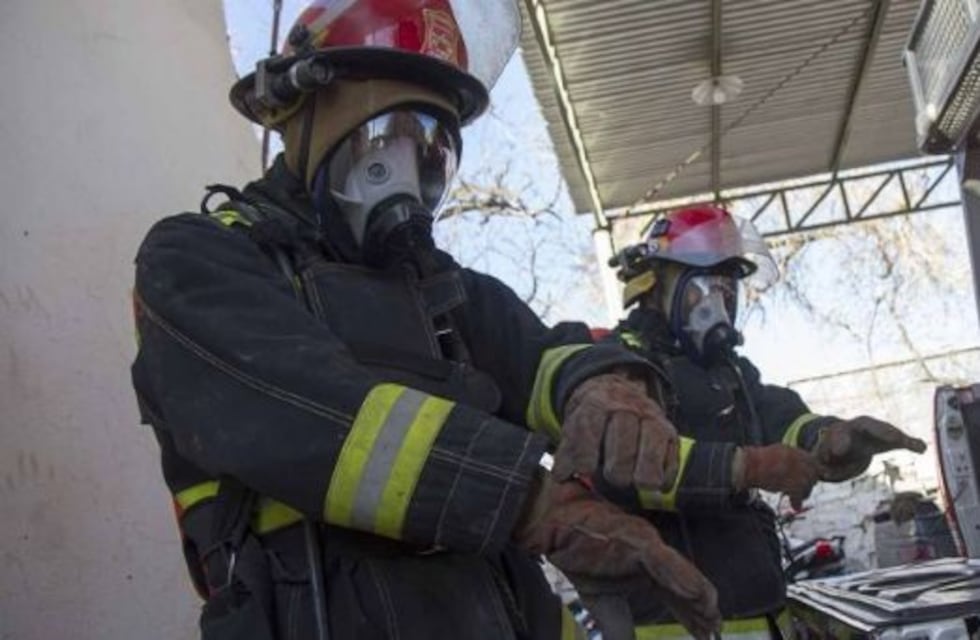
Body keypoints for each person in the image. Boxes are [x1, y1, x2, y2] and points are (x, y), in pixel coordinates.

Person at [129, 2, 722, 639]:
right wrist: (532, 502)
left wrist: (601, 385)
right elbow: (311, 415)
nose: (409, 180)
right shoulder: (198, 259)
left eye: (433, 149)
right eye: (389, 141)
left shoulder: (441, 290)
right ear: (304, 114)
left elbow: (540, 352)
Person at [588, 204, 928, 639]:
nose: (722, 301)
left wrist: (828, 438)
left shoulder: (731, 374)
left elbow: (776, 416)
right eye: (706, 284)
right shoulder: (620, 366)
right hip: (675, 624)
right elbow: (628, 467)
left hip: (762, 612)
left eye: (729, 287)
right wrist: (748, 467)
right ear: (655, 285)